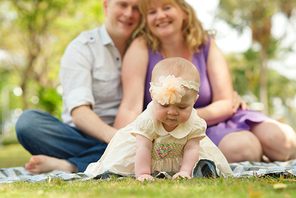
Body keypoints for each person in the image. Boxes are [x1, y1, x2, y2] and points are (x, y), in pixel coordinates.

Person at [114, 0, 296, 163]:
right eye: (152, 12)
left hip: (219, 117)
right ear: (147, 20)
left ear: (184, 12)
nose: (160, 15)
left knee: (283, 142)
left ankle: (266, 152)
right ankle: (261, 156)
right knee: (245, 149)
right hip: (176, 129)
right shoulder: (141, 47)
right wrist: (118, 143)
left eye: (167, 7)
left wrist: (185, 115)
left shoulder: (205, 44)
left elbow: (225, 103)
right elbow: (130, 107)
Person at [14, 0, 141, 174]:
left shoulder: (146, 48)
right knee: (28, 123)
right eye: (122, 5)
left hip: (130, 134)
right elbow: (80, 114)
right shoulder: (82, 48)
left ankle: (71, 165)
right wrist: (120, 141)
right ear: (106, 6)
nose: (129, 14)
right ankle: (118, 157)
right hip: (79, 137)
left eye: (136, 8)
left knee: (155, 141)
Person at [85, 57, 233, 181]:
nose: (172, 112)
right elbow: (143, 147)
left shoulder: (194, 123)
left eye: (182, 107)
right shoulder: (148, 120)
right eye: (164, 104)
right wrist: (143, 173)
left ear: (194, 101)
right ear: (153, 96)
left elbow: (192, 148)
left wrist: (185, 172)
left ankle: (181, 170)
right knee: (118, 168)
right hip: (143, 157)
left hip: (182, 159)